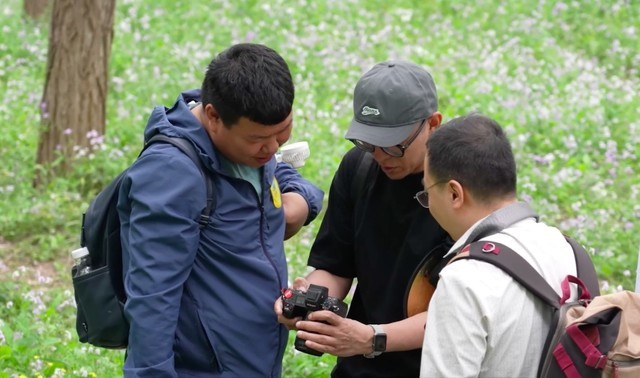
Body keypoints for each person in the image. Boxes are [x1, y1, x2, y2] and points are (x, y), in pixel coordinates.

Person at [117, 43, 324, 377]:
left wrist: (302, 200)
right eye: (260, 139)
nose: (271, 149)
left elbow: (280, 173)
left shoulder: (243, 145)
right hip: (206, 367)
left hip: (252, 356)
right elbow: (152, 295)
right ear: (213, 117)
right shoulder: (171, 175)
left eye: (282, 134)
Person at [276, 60, 452, 377]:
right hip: (358, 367)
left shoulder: (459, 187)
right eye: (368, 142)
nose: (380, 155)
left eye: (393, 145)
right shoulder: (359, 168)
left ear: (433, 124)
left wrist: (372, 339)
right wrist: (307, 300)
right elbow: (336, 265)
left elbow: (457, 312)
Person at [418, 113, 578, 377]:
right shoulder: (567, 250)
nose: (428, 204)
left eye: (427, 192)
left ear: (454, 194)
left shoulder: (463, 280)